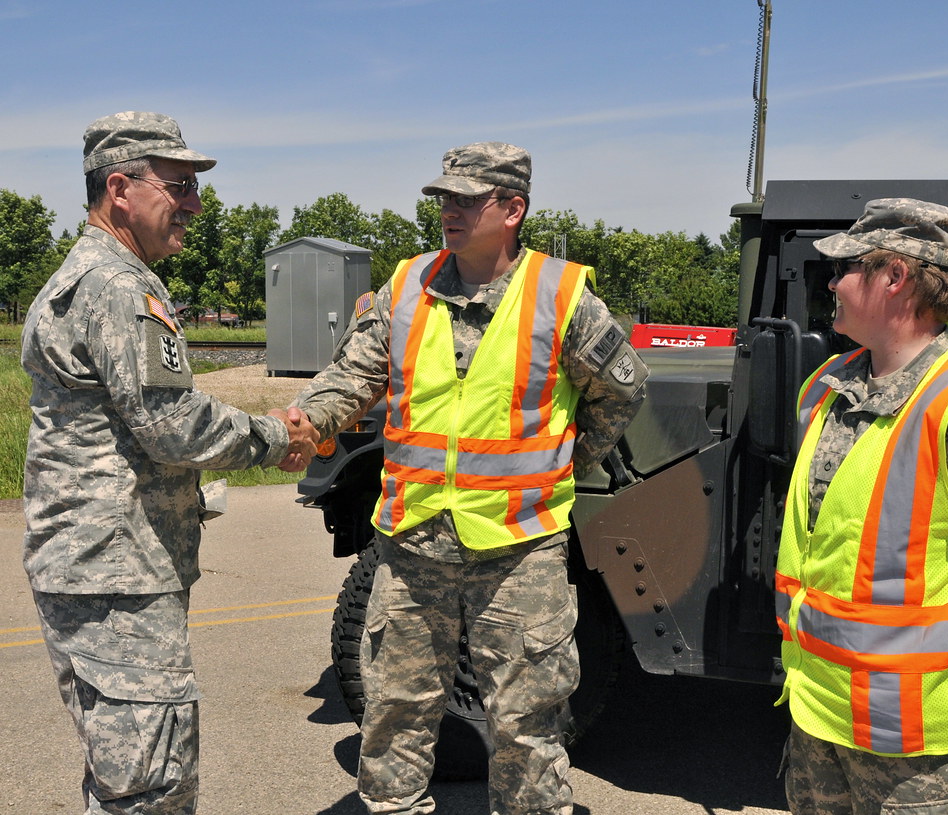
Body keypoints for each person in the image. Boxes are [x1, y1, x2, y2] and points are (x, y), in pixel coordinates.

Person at [294, 141, 649, 814]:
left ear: (513, 209)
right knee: (394, 713)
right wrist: (306, 421)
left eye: (466, 199)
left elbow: (620, 391)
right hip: (413, 543)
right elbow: (350, 380)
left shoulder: (561, 294)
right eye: (443, 198)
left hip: (518, 552)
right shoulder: (406, 286)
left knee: (527, 727)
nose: (448, 210)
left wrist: (564, 464)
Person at [21, 110, 319, 814]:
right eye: (179, 186)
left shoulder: (94, 276)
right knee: (150, 787)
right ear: (120, 188)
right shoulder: (118, 288)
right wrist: (276, 434)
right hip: (115, 578)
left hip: (101, 569)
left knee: (126, 778)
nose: (194, 203)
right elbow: (173, 425)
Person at [775, 198, 948, 814]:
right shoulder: (829, 388)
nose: (831, 283)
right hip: (820, 719)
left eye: (847, 268)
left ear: (896, 277)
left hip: (931, 754)